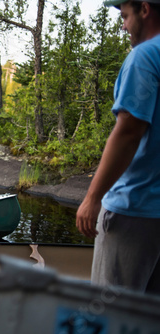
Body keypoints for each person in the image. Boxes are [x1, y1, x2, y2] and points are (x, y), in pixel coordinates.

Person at [76, 0, 160, 294]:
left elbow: (128, 132)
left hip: (133, 209)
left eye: (125, 16)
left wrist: (92, 197)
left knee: (109, 313)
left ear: (145, 9)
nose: (123, 25)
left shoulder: (145, 56)